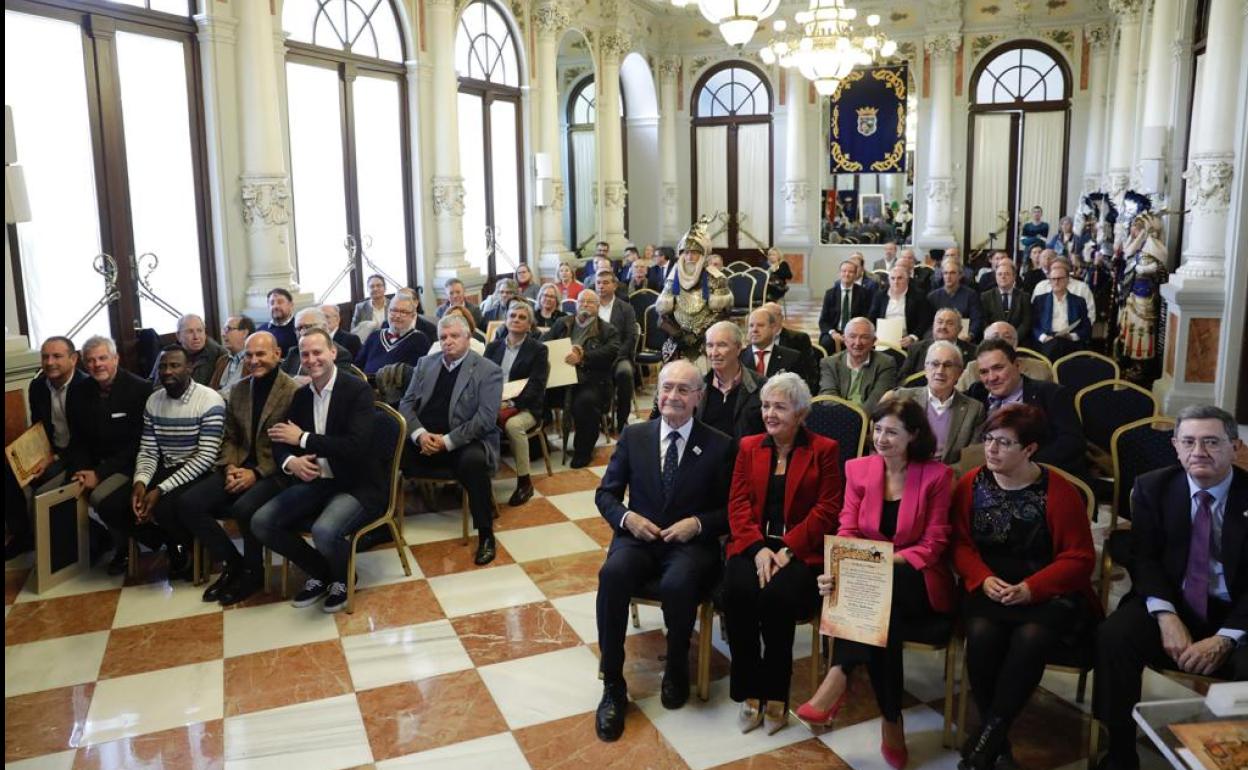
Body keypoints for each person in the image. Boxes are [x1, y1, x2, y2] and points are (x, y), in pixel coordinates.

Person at [798, 398, 955, 769]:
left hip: (917, 577)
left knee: (886, 588)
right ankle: (891, 720)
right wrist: (838, 570)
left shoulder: (936, 476)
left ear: (914, 435)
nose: (880, 439)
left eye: (892, 432)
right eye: (877, 429)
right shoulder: (858, 469)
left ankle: (840, 673)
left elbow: (933, 544)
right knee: (887, 618)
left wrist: (873, 567)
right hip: (872, 585)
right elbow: (848, 529)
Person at [1094, 405, 1248, 770]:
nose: (1199, 452)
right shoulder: (1153, 487)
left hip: (1238, 610)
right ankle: (1118, 750)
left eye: (1212, 441)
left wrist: (1226, 636)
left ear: (1235, 447)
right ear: (1176, 446)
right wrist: (1165, 615)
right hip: (1174, 600)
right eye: (1189, 442)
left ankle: (1232, 757)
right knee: (1114, 636)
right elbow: (1144, 559)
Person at [951, 404, 1099, 770]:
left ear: (1030, 449)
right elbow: (959, 544)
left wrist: (1031, 588)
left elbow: (1079, 558)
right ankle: (997, 743)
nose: (992, 450)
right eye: (988, 440)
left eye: (1004, 443)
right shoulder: (971, 483)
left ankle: (989, 735)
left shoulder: (1058, 491)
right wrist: (983, 579)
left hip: (1047, 589)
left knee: (1031, 637)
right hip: (989, 583)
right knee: (982, 634)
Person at [593, 360, 735, 741]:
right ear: (657, 392)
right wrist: (626, 519)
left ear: (698, 398)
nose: (672, 396)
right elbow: (605, 494)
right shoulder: (635, 436)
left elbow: (732, 511)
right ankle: (612, 686)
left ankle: (676, 667)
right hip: (638, 538)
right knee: (612, 574)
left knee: (678, 582)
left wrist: (699, 524)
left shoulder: (720, 445)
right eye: (667, 387)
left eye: (683, 390)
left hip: (689, 545)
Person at [724, 373, 843, 734]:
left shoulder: (824, 449)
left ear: (801, 413)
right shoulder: (749, 447)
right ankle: (749, 690)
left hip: (800, 551)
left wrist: (788, 548)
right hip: (753, 545)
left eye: (780, 406)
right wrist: (758, 548)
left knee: (777, 598)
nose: (770, 413)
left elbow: (828, 508)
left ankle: (776, 692)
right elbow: (738, 502)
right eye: (765, 405)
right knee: (737, 592)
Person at [252, 329, 385, 613]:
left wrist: (303, 440)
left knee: (323, 531)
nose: (312, 360)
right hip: (317, 482)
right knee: (262, 522)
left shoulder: (357, 390)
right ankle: (323, 572)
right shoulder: (300, 396)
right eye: (305, 354)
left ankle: (343, 578)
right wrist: (292, 462)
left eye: (318, 352)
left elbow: (355, 446)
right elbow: (280, 440)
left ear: (333, 353)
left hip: (357, 483)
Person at [175, 331, 297, 605]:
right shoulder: (239, 389)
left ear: (277, 355)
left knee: (244, 507)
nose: (254, 361)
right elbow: (229, 436)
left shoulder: (293, 392)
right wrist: (230, 466)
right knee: (188, 503)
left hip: (276, 472)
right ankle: (234, 563)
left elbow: (291, 448)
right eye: (250, 355)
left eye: (261, 354)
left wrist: (256, 473)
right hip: (239, 465)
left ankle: (254, 572)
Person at [97, 345, 226, 580]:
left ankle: (190, 551)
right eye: (163, 366)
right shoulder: (154, 401)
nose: (167, 371)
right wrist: (140, 483)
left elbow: (206, 458)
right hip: (164, 466)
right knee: (110, 504)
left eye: (175, 365)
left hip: (198, 470)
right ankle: (167, 541)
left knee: (165, 507)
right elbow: (148, 449)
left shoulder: (209, 400)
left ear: (189, 368)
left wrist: (159, 489)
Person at [400, 314, 504, 564]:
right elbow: (406, 404)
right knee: (382, 449)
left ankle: (486, 534)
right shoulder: (426, 363)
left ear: (468, 338)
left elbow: (485, 420)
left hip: (463, 439)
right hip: (424, 438)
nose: (448, 342)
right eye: (443, 337)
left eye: (454, 336)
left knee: (473, 462)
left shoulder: (488, 371)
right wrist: (420, 434)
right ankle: (381, 522)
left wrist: (446, 442)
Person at [64, 336, 151, 574]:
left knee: (101, 498)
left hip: (128, 464)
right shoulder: (79, 392)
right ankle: (97, 543)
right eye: (90, 360)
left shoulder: (140, 389)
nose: (97, 365)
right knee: (59, 495)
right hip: (92, 463)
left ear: (116, 359)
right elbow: (78, 438)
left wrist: (99, 474)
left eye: (103, 358)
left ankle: (131, 546)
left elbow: (138, 444)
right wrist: (82, 471)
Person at [965, 339, 1083, 472]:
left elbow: (1072, 443)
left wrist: (1022, 463)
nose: (991, 378)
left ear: (1017, 365)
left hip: (1035, 474)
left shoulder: (1050, 394)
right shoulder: (977, 392)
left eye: (998, 368)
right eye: (984, 372)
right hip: (982, 475)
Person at [541, 290, 620, 468]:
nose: (585, 304)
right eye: (581, 301)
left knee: (585, 402)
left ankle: (583, 451)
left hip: (590, 380)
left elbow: (611, 352)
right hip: (560, 379)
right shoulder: (562, 323)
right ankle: (537, 444)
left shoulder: (607, 330)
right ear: (576, 305)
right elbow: (544, 343)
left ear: (598, 307)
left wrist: (583, 357)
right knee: (536, 395)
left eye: (590, 302)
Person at [484, 301, 549, 507]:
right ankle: (478, 479)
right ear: (506, 320)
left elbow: (536, 386)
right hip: (493, 404)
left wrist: (511, 403)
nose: (516, 320)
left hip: (525, 407)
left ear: (529, 325)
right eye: (512, 316)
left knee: (513, 426)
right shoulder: (493, 347)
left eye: (522, 317)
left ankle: (524, 482)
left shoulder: (538, 350)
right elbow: (482, 379)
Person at [889, 340, 986, 465]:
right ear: (925, 368)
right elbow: (888, 443)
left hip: (950, 477)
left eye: (948, 365)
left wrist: (944, 476)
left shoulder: (974, 410)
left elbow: (970, 459)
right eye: (935, 364)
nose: (940, 371)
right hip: (906, 472)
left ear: (960, 373)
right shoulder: (902, 398)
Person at [654, 219, 732, 362]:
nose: (689, 257)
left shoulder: (717, 278)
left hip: (708, 339)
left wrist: (700, 335)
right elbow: (661, 316)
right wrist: (678, 334)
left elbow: (723, 314)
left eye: (694, 253)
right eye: (686, 252)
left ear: (703, 255)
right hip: (678, 340)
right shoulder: (673, 279)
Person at [695, 321, 765, 438]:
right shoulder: (698, 385)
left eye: (722, 345)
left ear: (738, 348)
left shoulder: (762, 386)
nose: (714, 353)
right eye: (710, 345)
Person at [818, 317, 899, 412]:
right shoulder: (829, 363)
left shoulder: (885, 363)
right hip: (837, 419)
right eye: (852, 336)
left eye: (864, 337)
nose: (857, 343)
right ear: (844, 339)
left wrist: (858, 419)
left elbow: (877, 400)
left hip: (870, 420)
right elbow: (829, 397)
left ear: (873, 341)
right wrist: (844, 417)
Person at [595, 270, 638, 433]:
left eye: (605, 283)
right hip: (596, 356)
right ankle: (597, 417)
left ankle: (622, 419)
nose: (601, 286)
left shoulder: (625, 308)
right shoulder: (592, 306)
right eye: (598, 283)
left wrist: (616, 356)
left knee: (625, 373)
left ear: (614, 285)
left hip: (620, 356)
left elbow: (630, 337)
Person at [957, 322, 1052, 390]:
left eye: (1007, 337)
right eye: (995, 337)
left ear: (1016, 344)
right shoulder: (973, 369)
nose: (1001, 341)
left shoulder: (1040, 368)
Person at [355, 294, 432, 375]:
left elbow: (417, 375)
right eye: (394, 310)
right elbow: (357, 366)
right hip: (366, 384)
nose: (398, 316)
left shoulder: (419, 340)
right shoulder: (374, 336)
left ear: (412, 316)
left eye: (403, 312)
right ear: (388, 312)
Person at [1030, 259, 1091, 360]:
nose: (1056, 282)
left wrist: (1072, 336)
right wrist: (1044, 338)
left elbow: (1086, 327)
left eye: (1060, 279)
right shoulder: (1040, 300)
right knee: (1055, 347)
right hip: (1047, 339)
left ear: (1067, 280)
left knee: (1063, 348)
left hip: (1069, 340)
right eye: (1053, 279)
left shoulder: (1079, 301)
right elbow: (1033, 325)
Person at [899, 308, 976, 379]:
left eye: (950, 323)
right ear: (933, 325)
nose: (943, 326)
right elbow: (903, 379)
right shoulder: (916, 349)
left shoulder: (973, 352)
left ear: (960, 329)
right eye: (939, 322)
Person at [869, 265, 933, 349]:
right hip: (882, 340)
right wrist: (874, 334)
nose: (896, 282)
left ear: (907, 280)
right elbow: (871, 317)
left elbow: (924, 321)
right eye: (892, 278)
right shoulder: (880, 296)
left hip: (906, 340)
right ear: (888, 280)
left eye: (900, 278)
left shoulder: (918, 296)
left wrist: (913, 337)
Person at [153, 314, 225, 385]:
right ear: (178, 336)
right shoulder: (167, 354)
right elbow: (155, 384)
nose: (196, 337)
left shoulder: (220, 355)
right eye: (190, 331)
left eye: (200, 331)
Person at [818, 260, 872, 352]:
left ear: (855, 275)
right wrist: (833, 333)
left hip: (856, 331)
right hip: (835, 331)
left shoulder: (864, 293)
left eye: (850, 272)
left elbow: (866, 318)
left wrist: (853, 334)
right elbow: (823, 321)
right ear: (839, 273)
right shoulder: (830, 294)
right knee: (826, 343)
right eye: (844, 271)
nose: (847, 274)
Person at [283, 308, 354, 376]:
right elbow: (280, 377)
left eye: (307, 327)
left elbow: (338, 381)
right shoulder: (293, 352)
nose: (302, 332)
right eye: (298, 328)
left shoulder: (341, 354)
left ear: (324, 328)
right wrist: (295, 380)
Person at [763, 301, 818, 389]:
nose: (769, 320)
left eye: (772, 315)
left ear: (781, 318)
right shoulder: (757, 340)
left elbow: (810, 374)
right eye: (765, 316)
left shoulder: (799, 339)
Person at [927, 258, 984, 341]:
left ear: (960, 275)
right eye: (945, 273)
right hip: (938, 337)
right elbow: (928, 323)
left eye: (952, 273)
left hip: (963, 337)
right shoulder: (932, 297)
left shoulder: (971, 295)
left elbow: (977, 319)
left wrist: (971, 334)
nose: (948, 276)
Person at [1031, 254, 1097, 320]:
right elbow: (1034, 313)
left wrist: (1081, 329)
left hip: (1074, 329)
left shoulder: (1082, 288)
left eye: (1061, 269)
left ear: (1068, 272)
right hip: (1045, 329)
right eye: (1054, 269)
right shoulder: (1041, 287)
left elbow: (1090, 314)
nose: (1057, 273)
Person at [980, 259, 1031, 342]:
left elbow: (1026, 323)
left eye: (1007, 274)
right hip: (993, 341)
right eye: (999, 274)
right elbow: (984, 322)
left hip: (1018, 342)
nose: (1003, 277)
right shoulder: (986, 297)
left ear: (1014, 277)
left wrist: (1012, 338)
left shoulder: (1024, 297)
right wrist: (995, 337)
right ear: (995, 276)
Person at [742, 308, 802, 378]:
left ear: (773, 328)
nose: (754, 330)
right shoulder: (738, 357)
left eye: (760, 325)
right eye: (751, 326)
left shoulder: (792, 358)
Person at [210, 315, 256, 393]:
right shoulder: (222, 360)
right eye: (224, 330)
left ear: (245, 333)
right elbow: (211, 388)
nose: (223, 334)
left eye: (228, 329)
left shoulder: (254, 361)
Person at [258, 288, 298, 356]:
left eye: (280, 302)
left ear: (291, 305)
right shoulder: (261, 331)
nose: (275, 306)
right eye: (272, 303)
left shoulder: (298, 328)